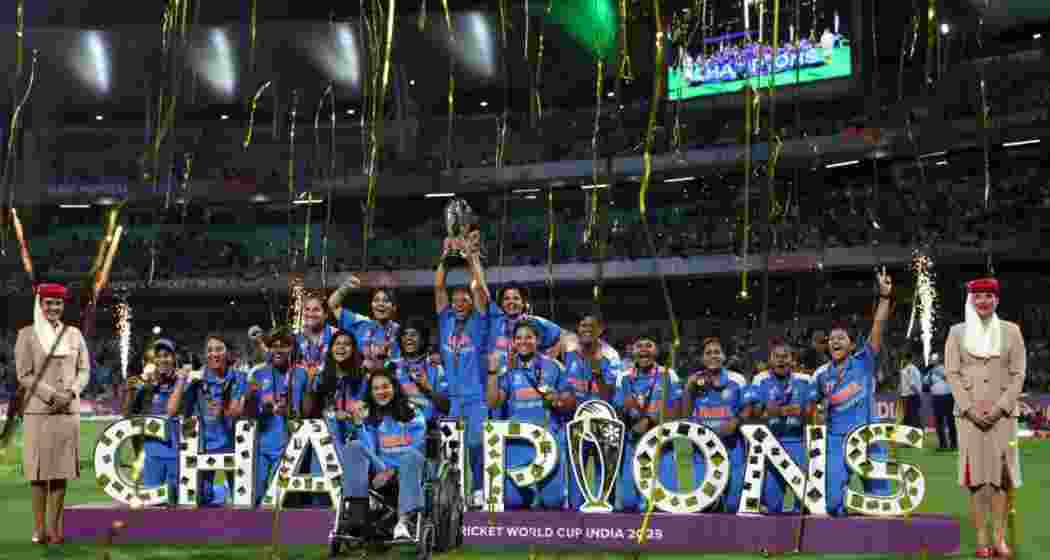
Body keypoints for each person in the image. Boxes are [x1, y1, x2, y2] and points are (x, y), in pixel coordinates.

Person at [944, 277, 1026, 559]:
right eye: (977, 296)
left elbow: (1019, 374)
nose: (983, 301)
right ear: (970, 300)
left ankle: (999, 540)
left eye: (988, 296)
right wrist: (968, 408)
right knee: (977, 480)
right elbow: (952, 373)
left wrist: (1001, 407)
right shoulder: (957, 333)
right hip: (969, 418)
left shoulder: (1012, 331)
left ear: (996, 299)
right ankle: (981, 540)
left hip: (1003, 416)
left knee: (1002, 479)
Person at [811, 268, 893, 516]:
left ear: (852, 344)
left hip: (868, 437)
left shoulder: (863, 362)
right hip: (836, 439)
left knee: (882, 502)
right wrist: (818, 415)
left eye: (841, 338)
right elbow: (814, 408)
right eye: (832, 339)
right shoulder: (821, 375)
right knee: (832, 504)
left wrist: (884, 298)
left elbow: (877, 327)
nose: (835, 341)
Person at [14, 283, 90, 545]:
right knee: (38, 475)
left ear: (63, 305)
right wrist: (51, 395)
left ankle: (56, 530)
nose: (53, 307)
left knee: (60, 474)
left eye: (58, 303)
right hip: (39, 412)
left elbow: (84, 370)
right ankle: (39, 529)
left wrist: (71, 392)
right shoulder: (27, 334)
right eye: (48, 303)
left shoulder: (74, 334)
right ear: (40, 304)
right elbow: (24, 374)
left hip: (67, 411)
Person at [485, 321, 571, 510]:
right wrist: (492, 372)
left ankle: (553, 495)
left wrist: (558, 399)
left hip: (547, 439)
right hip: (517, 441)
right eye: (518, 338)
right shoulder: (507, 370)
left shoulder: (553, 366)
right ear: (513, 342)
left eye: (528, 337)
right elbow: (493, 403)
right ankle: (529, 495)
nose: (523, 341)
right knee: (512, 501)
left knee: (553, 502)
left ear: (538, 340)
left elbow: (568, 400)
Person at [340, 368, 428, 540]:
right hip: (380, 469)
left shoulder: (413, 413)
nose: (381, 392)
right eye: (376, 388)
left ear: (394, 387)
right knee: (354, 446)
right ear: (371, 393)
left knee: (411, 457)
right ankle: (357, 514)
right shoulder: (370, 416)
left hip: (406, 470)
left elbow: (417, 448)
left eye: (385, 386)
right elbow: (369, 450)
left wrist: (392, 471)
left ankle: (402, 523)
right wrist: (359, 424)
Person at [434, 240, 490, 507]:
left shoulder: (478, 322)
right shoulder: (445, 320)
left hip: (476, 396)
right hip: (452, 398)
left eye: (463, 300)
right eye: (454, 300)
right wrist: (444, 260)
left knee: (477, 445)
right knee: (450, 450)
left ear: (471, 303)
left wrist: (471, 259)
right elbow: (438, 287)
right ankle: (451, 495)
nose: (458, 303)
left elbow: (479, 289)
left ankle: (479, 489)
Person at [167, 335, 247, 506]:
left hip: (234, 446)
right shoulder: (197, 379)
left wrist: (223, 410)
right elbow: (172, 411)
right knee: (201, 499)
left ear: (228, 353)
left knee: (242, 499)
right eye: (209, 350)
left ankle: (224, 490)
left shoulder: (239, 377)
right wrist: (182, 379)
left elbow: (236, 412)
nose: (214, 354)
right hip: (204, 448)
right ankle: (220, 491)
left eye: (219, 349)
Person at [677, 336, 750, 513]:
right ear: (702, 358)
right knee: (705, 502)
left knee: (732, 505)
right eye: (708, 353)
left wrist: (735, 421)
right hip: (703, 447)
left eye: (717, 352)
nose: (713, 356)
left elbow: (748, 408)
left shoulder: (738, 379)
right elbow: (685, 416)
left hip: (732, 446)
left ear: (724, 356)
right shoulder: (694, 380)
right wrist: (688, 388)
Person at [613, 332, 681, 512]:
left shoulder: (668, 374)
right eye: (639, 345)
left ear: (656, 351)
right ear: (632, 351)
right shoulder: (623, 376)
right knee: (628, 503)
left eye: (649, 345)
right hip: (632, 441)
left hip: (661, 442)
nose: (644, 349)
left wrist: (650, 419)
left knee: (661, 502)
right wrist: (625, 411)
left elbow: (676, 410)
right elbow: (618, 409)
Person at [560, 314, 622, 510]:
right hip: (575, 424)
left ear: (600, 330)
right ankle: (574, 516)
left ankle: (605, 517)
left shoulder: (611, 356)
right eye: (582, 325)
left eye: (591, 326)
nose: (586, 329)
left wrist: (597, 372)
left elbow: (609, 396)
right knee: (575, 482)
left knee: (604, 481)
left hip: (604, 425)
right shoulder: (569, 352)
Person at [242, 329, 310, 507]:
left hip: (290, 444)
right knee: (255, 496)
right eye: (274, 345)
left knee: (282, 501)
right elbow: (248, 414)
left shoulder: (302, 373)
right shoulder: (257, 374)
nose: (278, 350)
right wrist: (249, 399)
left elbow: (307, 411)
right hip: (262, 445)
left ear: (292, 348)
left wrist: (292, 408)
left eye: (284, 345)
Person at [748, 338, 815, 513]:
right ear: (770, 360)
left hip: (797, 442)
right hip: (771, 443)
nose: (781, 360)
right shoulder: (760, 379)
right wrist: (776, 411)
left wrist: (801, 412)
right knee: (772, 505)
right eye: (776, 356)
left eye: (785, 356)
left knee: (803, 503)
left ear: (792, 360)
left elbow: (810, 413)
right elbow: (755, 413)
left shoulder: (805, 380)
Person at [123, 338, 182, 504]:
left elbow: (174, 412)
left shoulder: (184, 382)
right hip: (152, 454)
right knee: (154, 503)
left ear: (175, 358)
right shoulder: (145, 386)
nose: (162, 360)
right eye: (158, 356)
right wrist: (129, 391)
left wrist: (181, 380)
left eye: (166, 355)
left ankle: (219, 491)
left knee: (177, 500)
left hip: (177, 453)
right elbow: (128, 417)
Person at [328, 275, 401, 365]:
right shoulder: (361, 324)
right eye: (376, 300)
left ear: (394, 307)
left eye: (386, 301)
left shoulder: (400, 332)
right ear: (371, 305)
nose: (380, 304)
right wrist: (345, 287)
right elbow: (333, 305)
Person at [393, 320, 450, 423]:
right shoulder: (392, 367)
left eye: (413, 334)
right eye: (404, 334)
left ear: (423, 338)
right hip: (402, 428)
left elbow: (447, 406)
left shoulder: (436, 367)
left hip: (433, 428)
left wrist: (428, 388)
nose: (408, 338)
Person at [925, 353, 958, 451]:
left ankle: (954, 444)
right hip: (936, 398)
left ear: (939, 360)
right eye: (931, 360)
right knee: (939, 422)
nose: (932, 361)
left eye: (934, 359)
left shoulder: (946, 369)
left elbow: (950, 379)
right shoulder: (930, 372)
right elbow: (925, 384)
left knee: (950, 421)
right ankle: (943, 444)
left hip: (947, 397)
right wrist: (929, 377)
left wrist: (939, 373)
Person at [899, 352, 923, 429]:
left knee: (908, 415)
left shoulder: (905, 370)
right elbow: (912, 384)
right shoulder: (911, 369)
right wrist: (918, 393)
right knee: (913, 414)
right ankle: (917, 428)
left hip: (907, 395)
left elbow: (902, 384)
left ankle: (908, 429)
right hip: (912, 394)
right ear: (913, 359)